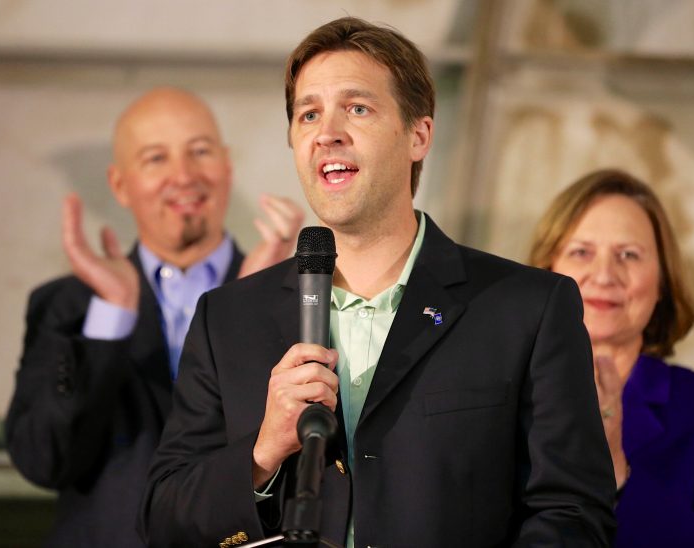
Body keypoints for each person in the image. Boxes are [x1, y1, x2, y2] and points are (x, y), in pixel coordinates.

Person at [140, 18, 616, 547]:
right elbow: (165, 519)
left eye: (358, 108)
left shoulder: (526, 308)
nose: (328, 133)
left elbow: (571, 513)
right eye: (309, 114)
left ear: (419, 135)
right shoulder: (227, 319)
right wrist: (262, 451)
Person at [4, 87, 305, 548]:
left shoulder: (292, 295)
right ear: (121, 185)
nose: (183, 176)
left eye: (199, 152)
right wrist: (111, 318)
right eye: (155, 159)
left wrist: (250, 306)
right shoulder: (67, 306)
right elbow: (44, 460)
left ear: (226, 166)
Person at [529, 168, 694, 546]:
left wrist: (616, 471)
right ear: (548, 268)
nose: (604, 274)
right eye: (581, 252)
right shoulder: (493, 391)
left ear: (662, 282)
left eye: (628, 255)